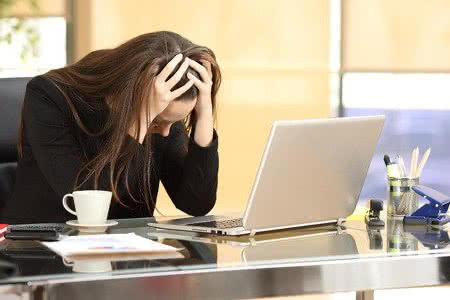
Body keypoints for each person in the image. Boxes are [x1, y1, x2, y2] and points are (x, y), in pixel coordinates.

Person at [1, 31, 221, 224]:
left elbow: (196, 204)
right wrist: (140, 121)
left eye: (174, 123)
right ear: (131, 94)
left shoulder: (163, 108)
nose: (165, 132)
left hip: (127, 249)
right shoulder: (49, 96)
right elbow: (87, 202)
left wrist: (204, 116)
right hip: (42, 249)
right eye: (158, 122)